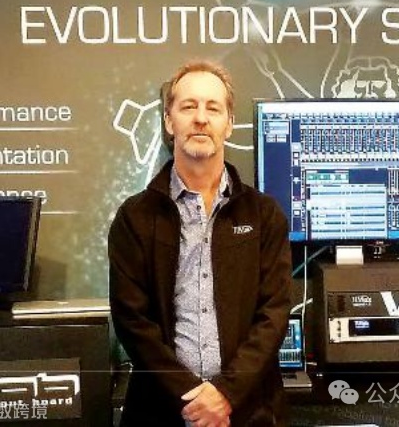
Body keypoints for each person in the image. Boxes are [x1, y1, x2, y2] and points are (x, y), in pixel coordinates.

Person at [109, 59, 292, 427]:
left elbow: (273, 314)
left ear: (229, 123)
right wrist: (192, 399)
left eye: (213, 108)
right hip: (162, 413)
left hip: (248, 412)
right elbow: (132, 321)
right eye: (188, 106)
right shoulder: (135, 217)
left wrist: (226, 394)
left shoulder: (264, 215)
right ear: (169, 121)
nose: (201, 118)